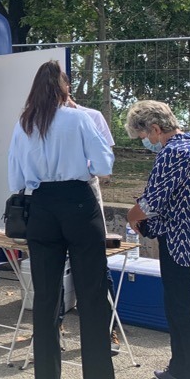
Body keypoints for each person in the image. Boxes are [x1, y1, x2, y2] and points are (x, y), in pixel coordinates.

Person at [8, 61, 117, 379]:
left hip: (40, 207)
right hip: (78, 203)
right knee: (91, 295)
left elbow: (15, 180)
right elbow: (103, 166)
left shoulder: (24, 123)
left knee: (45, 297)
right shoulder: (79, 118)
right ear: (64, 87)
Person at [124, 100, 190, 379]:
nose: (146, 143)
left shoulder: (173, 153)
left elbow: (153, 202)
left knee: (182, 311)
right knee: (175, 305)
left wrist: (131, 215)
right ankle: (179, 368)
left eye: (144, 136)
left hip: (181, 241)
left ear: (155, 128)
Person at [65, 96, 121, 356]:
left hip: (85, 192)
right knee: (52, 268)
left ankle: (106, 331)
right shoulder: (39, 118)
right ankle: (50, 333)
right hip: (51, 198)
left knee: (95, 264)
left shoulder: (91, 116)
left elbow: (106, 160)